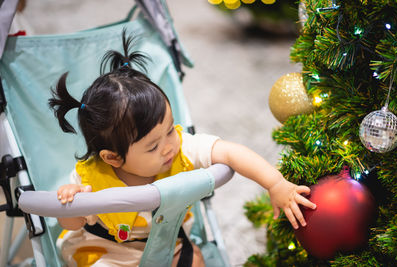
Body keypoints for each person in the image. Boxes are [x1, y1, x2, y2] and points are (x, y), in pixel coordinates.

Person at [49, 29, 316, 267]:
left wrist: (275, 183)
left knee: (194, 259)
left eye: (169, 130)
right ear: (113, 158)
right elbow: (71, 224)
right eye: (153, 146)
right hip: (105, 251)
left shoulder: (181, 149)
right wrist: (72, 204)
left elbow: (231, 152)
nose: (168, 147)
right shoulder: (90, 179)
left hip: (165, 245)